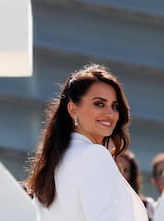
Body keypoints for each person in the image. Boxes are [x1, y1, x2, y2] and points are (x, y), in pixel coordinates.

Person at [26, 64, 148, 221]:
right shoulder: (93, 155)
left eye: (114, 106)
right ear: (73, 109)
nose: (110, 113)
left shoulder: (52, 163)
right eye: (99, 103)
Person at [116, 150, 156, 221]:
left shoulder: (147, 205)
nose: (120, 174)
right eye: (117, 169)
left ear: (132, 175)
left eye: (125, 170)